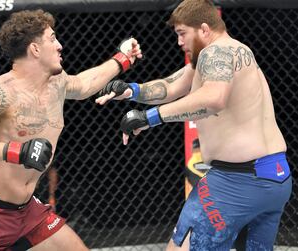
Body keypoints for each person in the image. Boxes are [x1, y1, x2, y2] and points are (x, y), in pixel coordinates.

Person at [96, 0, 292, 250]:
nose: (179, 42)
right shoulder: (230, 53)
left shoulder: (216, 52)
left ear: (203, 29)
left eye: (182, 34)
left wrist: (149, 118)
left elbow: (213, 99)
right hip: (274, 177)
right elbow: (170, 87)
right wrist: (129, 90)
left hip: (238, 181)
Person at [0, 9, 142, 251]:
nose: (59, 46)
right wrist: (17, 151)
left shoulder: (56, 83)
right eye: (52, 39)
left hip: (26, 212)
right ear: (35, 49)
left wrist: (123, 59)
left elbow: (84, 83)